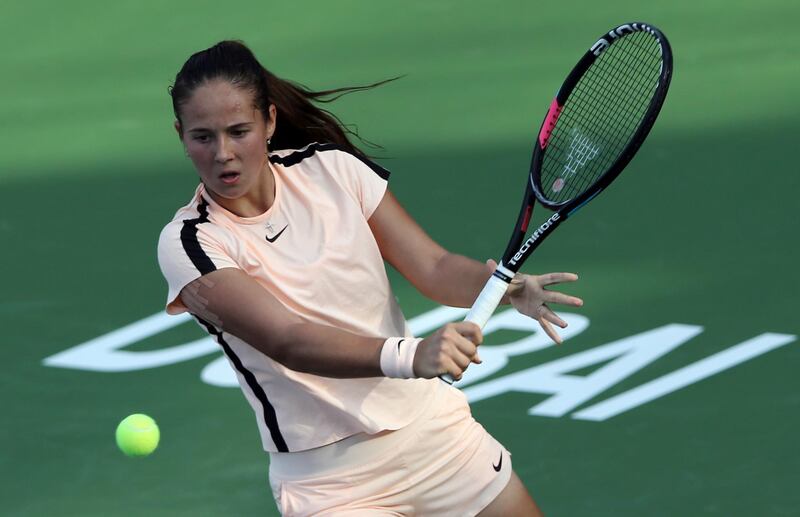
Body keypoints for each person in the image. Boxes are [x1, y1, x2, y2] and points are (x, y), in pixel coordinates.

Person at [157, 40, 583, 517]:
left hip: (434, 435)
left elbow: (434, 267)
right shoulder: (190, 243)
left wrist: (503, 290)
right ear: (180, 134)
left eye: (239, 131)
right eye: (202, 137)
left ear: (270, 122)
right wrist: (412, 354)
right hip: (332, 484)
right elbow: (289, 341)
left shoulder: (333, 170)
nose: (223, 154)